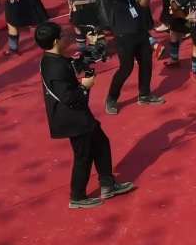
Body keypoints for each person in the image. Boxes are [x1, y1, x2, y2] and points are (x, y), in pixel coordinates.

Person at [36, 21, 135, 210]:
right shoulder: (55, 67)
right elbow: (69, 97)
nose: (66, 38)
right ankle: (77, 196)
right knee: (83, 155)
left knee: (101, 143)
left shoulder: (51, 59)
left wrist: (91, 51)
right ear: (56, 41)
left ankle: (107, 184)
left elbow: (72, 65)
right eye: (63, 36)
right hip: (72, 118)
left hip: (77, 115)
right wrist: (85, 86)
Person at [102, 0, 165, 114]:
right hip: (123, 34)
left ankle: (144, 94)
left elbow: (143, 4)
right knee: (126, 68)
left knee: (146, 63)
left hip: (139, 30)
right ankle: (111, 98)